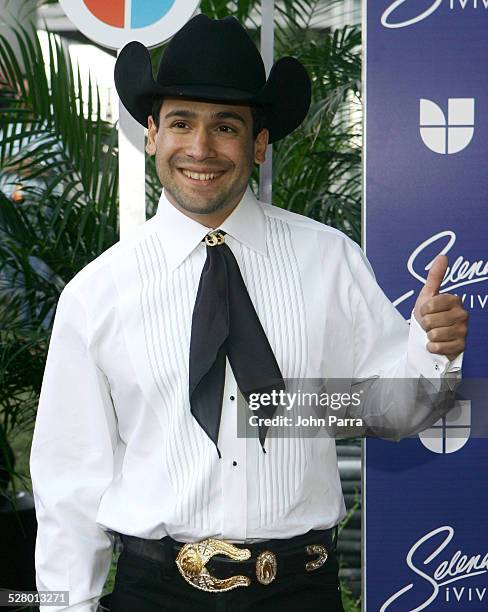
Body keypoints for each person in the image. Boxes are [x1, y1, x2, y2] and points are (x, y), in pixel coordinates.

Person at [30, 14, 468, 612]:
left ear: (259, 144)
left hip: (299, 593)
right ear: (152, 132)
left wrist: (429, 352)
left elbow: (388, 410)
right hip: (153, 596)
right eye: (182, 123)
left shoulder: (330, 259)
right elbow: (68, 488)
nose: (201, 148)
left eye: (226, 127)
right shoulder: (95, 294)